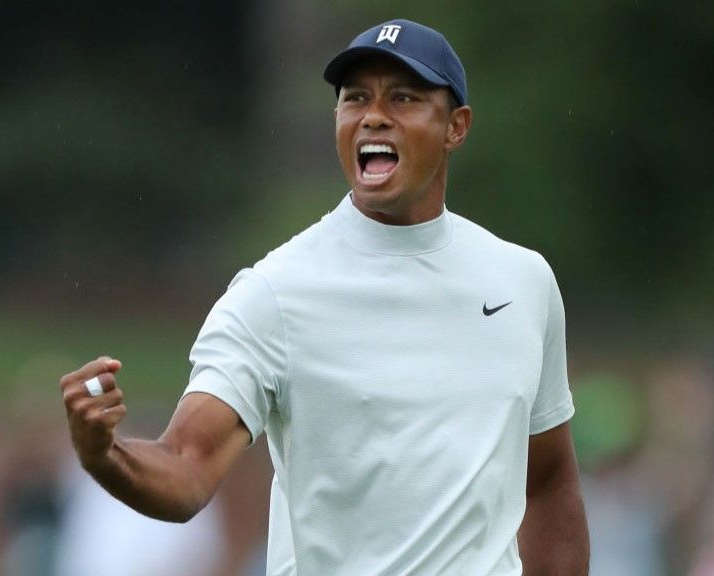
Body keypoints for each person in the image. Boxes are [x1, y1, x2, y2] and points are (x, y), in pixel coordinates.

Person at [59, 18, 588, 576]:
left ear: (456, 127)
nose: (373, 115)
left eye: (403, 98)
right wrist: (105, 456)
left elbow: (548, 480)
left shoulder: (523, 282)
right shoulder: (275, 294)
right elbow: (187, 466)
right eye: (355, 98)